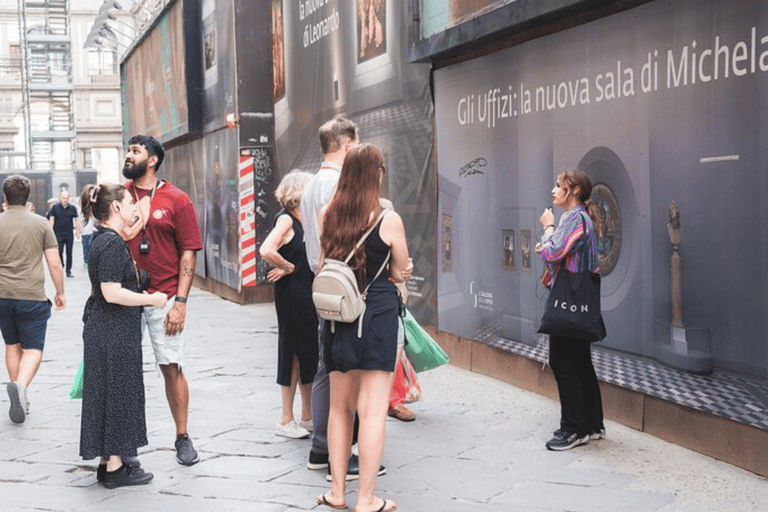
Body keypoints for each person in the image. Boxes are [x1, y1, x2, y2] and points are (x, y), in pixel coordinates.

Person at [316, 143, 411, 512]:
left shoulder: (328, 214)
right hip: (377, 317)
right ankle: (366, 499)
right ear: (378, 174)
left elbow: (324, 262)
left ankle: (337, 492)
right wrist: (400, 271)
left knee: (340, 408)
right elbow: (399, 269)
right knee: (372, 410)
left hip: (339, 319)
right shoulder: (389, 219)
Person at [78, 183, 167, 488]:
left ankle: (108, 463)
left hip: (105, 331)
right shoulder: (112, 244)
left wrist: (139, 279)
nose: (133, 207)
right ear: (115, 208)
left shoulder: (102, 239)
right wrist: (152, 299)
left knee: (107, 395)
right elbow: (112, 292)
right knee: (116, 396)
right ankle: (115, 468)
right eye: (129, 202)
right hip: (113, 332)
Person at [122, 134, 203, 466]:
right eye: (128, 150)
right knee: (123, 370)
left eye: (135, 151)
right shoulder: (118, 196)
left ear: (152, 160)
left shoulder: (177, 199)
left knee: (171, 367)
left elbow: (189, 250)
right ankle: (123, 444)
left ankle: (182, 437)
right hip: (123, 297)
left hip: (165, 295)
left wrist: (180, 302)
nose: (129, 155)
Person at [301, 117, 372, 478]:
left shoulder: (312, 183)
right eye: (357, 144)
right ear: (347, 145)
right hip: (343, 285)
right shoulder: (337, 184)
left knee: (326, 366)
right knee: (343, 370)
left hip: (323, 283)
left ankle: (319, 447)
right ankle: (335, 452)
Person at [535, 168, 605, 451]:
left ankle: (573, 429)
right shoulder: (582, 219)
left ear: (573, 190)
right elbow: (563, 253)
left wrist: (548, 228)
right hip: (581, 299)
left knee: (563, 362)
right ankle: (592, 424)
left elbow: (553, 252)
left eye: (558, 185)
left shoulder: (574, 217)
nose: (553, 190)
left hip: (569, 299)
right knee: (580, 361)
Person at [0, 174, 66, 424]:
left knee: (11, 344)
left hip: (2, 296)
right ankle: (20, 387)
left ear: (5, 197)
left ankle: (20, 398)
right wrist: (60, 292)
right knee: (34, 348)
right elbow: (55, 263)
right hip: (32, 296)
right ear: (27, 197)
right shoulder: (41, 224)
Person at [259, 170, 318, 439]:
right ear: (298, 194)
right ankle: (286, 419)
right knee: (291, 351)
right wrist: (287, 266)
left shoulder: (304, 220)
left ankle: (307, 416)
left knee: (307, 351)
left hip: (305, 292)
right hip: (293, 294)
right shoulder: (286, 220)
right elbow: (266, 249)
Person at [48, 190, 81, 278]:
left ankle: (68, 270)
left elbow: (77, 220)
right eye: (63, 198)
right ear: (60, 198)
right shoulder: (55, 207)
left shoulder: (72, 208)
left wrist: (77, 231)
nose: (65, 200)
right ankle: (61, 264)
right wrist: (50, 231)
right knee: (60, 251)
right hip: (58, 233)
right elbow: (52, 219)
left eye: (67, 198)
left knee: (69, 252)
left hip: (69, 234)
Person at [80, 196, 96, 267]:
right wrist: (79, 230)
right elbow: (79, 221)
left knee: (91, 246)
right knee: (85, 246)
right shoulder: (81, 211)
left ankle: (90, 260)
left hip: (91, 231)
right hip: (84, 232)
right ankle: (86, 261)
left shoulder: (91, 210)